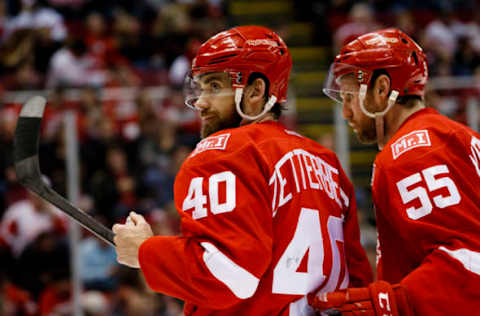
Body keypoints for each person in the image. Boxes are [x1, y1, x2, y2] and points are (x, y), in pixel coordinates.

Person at [112, 25, 372, 315]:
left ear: (256, 91)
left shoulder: (225, 151)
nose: (200, 101)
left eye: (214, 86)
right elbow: (358, 283)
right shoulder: (327, 162)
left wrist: (146, 252)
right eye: (200, 87)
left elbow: (229, 276)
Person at [309, 28, 480, 315]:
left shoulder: (410, 154)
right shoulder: (456, 135)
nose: (346, 112)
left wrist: (389, 302)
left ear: (382, 88)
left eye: (350, 97)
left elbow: (468, 260)